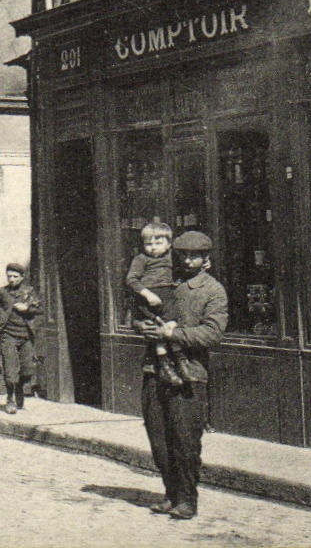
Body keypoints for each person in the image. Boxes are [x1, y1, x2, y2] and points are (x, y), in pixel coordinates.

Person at [136, 230, 226, 521]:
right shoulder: (164, 283)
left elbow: (212, 333)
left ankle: (187, 499)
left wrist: (173, 333)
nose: (188, 261)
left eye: (194, 256)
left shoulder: (213, 290)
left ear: (205, 258)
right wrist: (143, 327)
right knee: (159, 439)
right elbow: (138, 312)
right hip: (154, 370)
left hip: (190, 374)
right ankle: (170, 493)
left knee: (185, 441)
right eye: (183, 255)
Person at [127, 219, 187, 387]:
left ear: (168, 245)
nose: (153, 247)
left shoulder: (171, 257)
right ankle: (165, 364)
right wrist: (147, 294)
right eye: (148, 243)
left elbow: (184, 267)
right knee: (156, 331)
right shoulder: (141, 259)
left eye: (158, 243)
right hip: (150, 298)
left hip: (168, 295)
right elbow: (131, 280)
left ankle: (180, 359)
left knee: (172, 325)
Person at [0, 262, 41, 414]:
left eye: (15, 277)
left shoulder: (29, 292)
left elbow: (40, 309)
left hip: (26, 337)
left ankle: (19, 387)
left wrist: (28, 308)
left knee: (28, 370)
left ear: (22, 277)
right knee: (10, 371)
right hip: (8, 336)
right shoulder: (2, 292)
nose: (11, 279)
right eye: (9, 276)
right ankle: (10, 398)